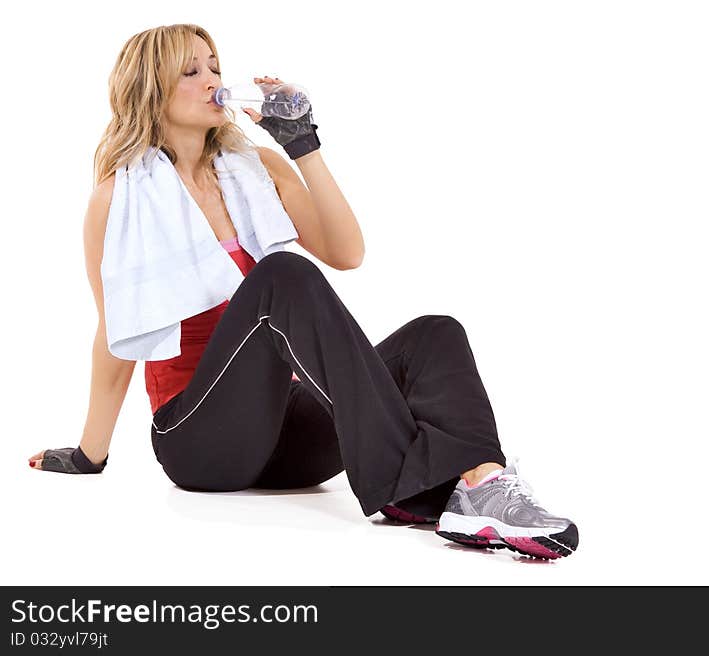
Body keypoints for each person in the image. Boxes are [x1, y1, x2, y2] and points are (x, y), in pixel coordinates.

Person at [26, 23, 577, 560]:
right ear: (150, 88)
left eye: (215, 65)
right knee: (280, 275)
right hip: (199, 441)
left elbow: (346, 252)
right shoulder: (118, 200)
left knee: (435, 334)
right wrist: (88, 454)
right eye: (191, 71)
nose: (213, 78)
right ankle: (411, 485)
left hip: (290, 446)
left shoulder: (256, 168)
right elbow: (116, 332)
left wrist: (302, 145)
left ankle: (481, 484)